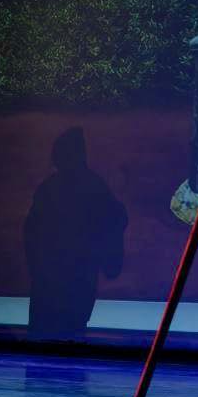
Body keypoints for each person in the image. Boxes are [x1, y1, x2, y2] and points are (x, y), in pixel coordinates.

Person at [24, 127, 127, 340]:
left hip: (63, 278)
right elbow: (116, 219)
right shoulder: (88, 186)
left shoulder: (54, 188)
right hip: (64, 279)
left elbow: (31, 231)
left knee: (57, 332)